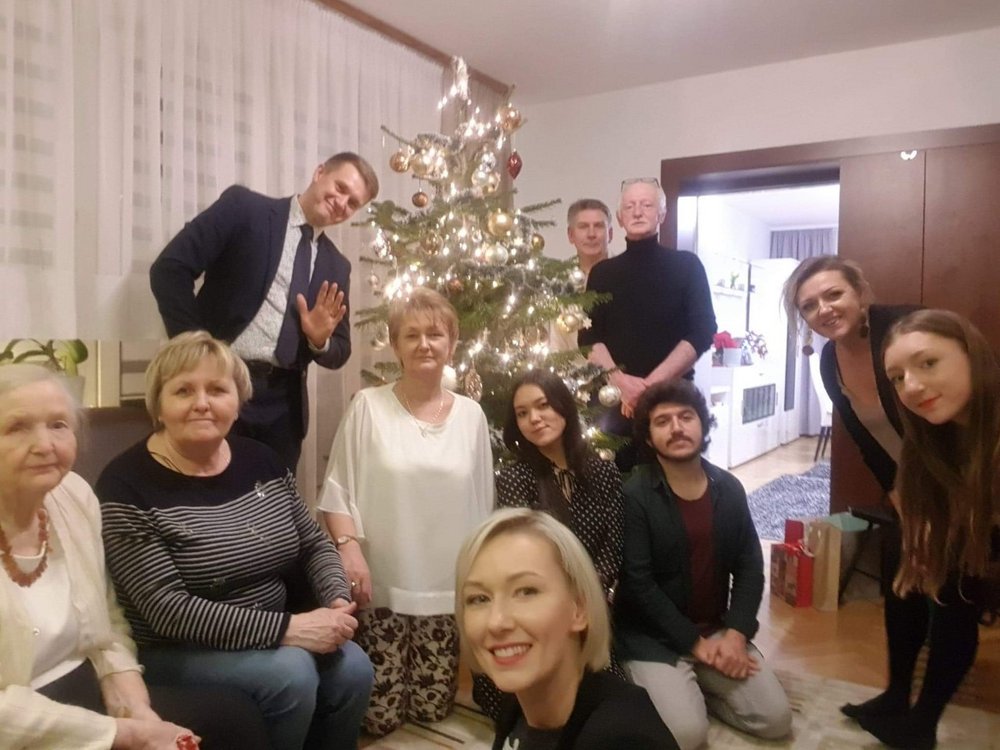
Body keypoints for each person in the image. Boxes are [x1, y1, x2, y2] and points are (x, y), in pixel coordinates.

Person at [96, 332, 373, 750]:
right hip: (178, 647)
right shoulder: (125, 485)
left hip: (274, 631)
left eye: (217, 390)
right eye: (183, 391)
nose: (202, 402)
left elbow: (314, 544)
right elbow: (168, 611)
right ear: (158, 405)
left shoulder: (260, 459)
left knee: (354, 668)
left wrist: (335, 602)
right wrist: (290, 629)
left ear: (238, 400)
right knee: (291, 674)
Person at [0, 364, 268, 750]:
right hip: (19, 723)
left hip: (83, 684)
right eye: (17, 427)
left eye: (58, 425)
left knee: (234, 718)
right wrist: (126, 735)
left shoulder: (73, 495)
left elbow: (107, 623)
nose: (44, 445)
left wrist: (135, 708)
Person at [319, 287, 494, 736]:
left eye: (435, 334)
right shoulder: (368, 407)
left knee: (432, 711)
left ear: (452, 344)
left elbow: (483, 501)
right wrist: (349, 550)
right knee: (379, 719)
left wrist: (478, 578)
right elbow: (337, 490)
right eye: (411, 335)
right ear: (395, 345)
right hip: (381, 585)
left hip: (444, 587)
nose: (424, 344)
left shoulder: (471, 416)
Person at [150, 152, 380, 471]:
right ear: (319, 173)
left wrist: (319, 340)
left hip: (283, 409)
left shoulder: (336, 266)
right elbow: (170, 269)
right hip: (218, 383)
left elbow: (339, 351)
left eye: (353, 203)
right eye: (340, 188)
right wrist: (197, 350)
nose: (342, 203)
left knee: (273, 498)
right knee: (205, 487)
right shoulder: (245, 209)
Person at [782, 255, 923, 727]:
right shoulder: (830, 361)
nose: (823, 309)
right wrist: (899, 497)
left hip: (968, 484)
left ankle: (922, 720)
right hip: (913, 489)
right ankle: (896, 696)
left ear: (860, 293)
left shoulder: (904, 329)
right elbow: (865, 439)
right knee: (901, 587)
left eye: (833, 294)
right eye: (808, 306)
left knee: (952, 601)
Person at [615, 379, 791, 750]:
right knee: (687, 735)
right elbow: (639, 584)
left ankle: (695, 691)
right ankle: (673, 691)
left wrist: (735, 635)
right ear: (649, 438)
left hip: (715, 631)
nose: (676, 428)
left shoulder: (729, 488)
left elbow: (749, 567)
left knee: (775, 720)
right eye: (662, 421)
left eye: (686, 417)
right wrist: (693, 644)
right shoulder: (635, 495)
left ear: (702, 424)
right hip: (654, 640)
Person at [867, 309, 999, 750]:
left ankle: (921, 719)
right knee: (905, 554)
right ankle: (903, 703)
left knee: (955, 583)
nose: (911, 386)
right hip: (976, 541)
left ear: (971, 354)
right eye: (898, 378)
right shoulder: (932, 436)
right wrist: (921, 533)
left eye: (928, 363)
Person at [456, 508, 679, 750]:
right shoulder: (519, 700)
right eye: (479, 598)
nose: (496, 622)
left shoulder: (621, 738)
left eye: (527, 591)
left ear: (579, 609)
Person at [472, 369, 625, 719]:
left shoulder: (603, 472)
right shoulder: (514, 478)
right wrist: (558, 601)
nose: (534, 418)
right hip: (535, 606)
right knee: (540, 708)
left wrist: (587, 597)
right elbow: (523, 557)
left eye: (543, 406)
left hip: (589, 605)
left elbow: (613, 545)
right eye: (522, 413)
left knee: (606, 701)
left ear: (563, 407)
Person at [578, 178, 716, 471]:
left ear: (661, 214)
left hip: (671, 403)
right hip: (613, 404)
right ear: (620, 218)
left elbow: (702, 331)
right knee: (612, 486)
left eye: (647, 205)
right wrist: (622, 384)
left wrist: (647, 389)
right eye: (630, 206)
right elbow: (588, 336)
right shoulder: (602, 273)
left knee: (672, 484)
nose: (638, 212)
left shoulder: (687, 266)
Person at [550, 199, 614, 353]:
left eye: (598, 226)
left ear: (610, 234)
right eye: (583, 227)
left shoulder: (626, 276)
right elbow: (555, 343)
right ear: (571, 235)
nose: (591, 234)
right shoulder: (558, 284)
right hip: (571, 366)